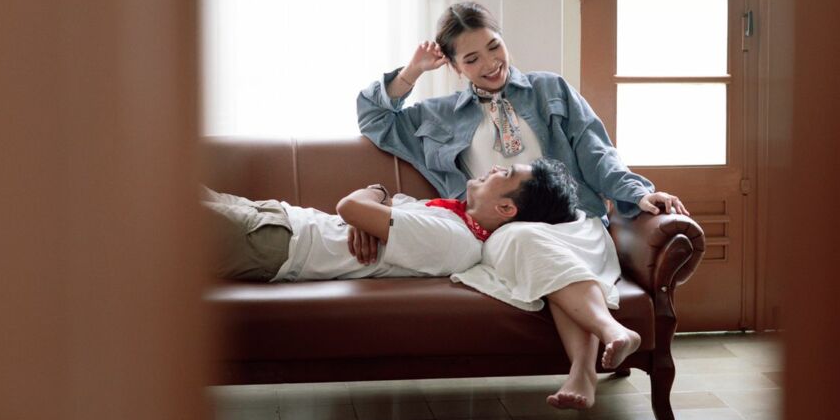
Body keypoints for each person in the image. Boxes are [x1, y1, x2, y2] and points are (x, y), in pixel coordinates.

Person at [357, 1, 690, 410]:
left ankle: (585, 369)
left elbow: (596, 152)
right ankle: (609, 332)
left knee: (548, 254)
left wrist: (637, 193)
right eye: (472, 59)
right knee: (529, 242)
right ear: (455, 67)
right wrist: (412, 71)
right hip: (504, 232)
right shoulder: (440, 116)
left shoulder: (552, 89)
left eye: (494, 47)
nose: (490, 63)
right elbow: (374, 118)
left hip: (571, 221)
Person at [204, 157, 577, 283]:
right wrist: (375, 200)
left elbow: (350, 206)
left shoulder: (454, 238)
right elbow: (367, 207)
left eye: (506, 173)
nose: (494, 168)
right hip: (277, 217)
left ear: (507, 209)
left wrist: (368, 203)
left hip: (276, 242)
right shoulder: (449, 213)